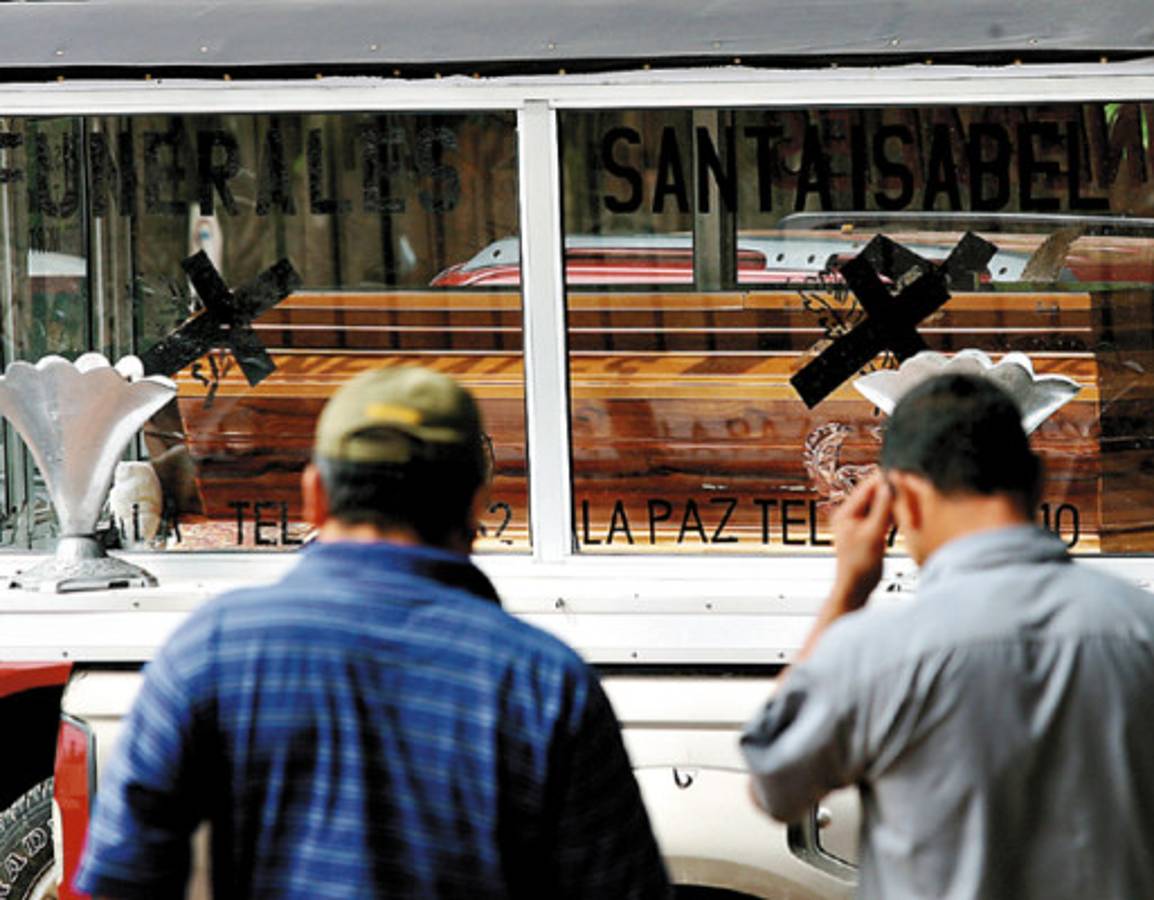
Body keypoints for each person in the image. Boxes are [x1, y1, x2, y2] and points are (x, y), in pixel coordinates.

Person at [77, 366, 671, 899]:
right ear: (478, 503)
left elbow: (122, 879)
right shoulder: (543, 684)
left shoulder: (211, 650)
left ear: (314, 496)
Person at [742, 372, 1154, 899]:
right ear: (1037, 481)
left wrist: (846, 593)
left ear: (903, 501)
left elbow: (773, 783)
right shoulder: (1140, 628)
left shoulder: (874, 653)